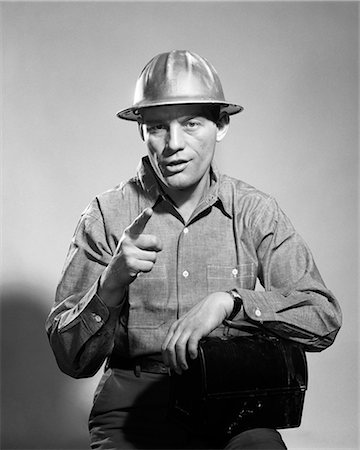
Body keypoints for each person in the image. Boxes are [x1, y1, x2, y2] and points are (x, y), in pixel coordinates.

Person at [46, 50, 342, 449]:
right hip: (134, 407)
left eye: (191, 124)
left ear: (221, 125)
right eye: (157, 127)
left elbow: (322, 317)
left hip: (233, 401)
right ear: (141, 131)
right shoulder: (105, 213)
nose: (173, 144)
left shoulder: (254, 211)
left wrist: (232, 302)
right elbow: (70, 360)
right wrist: (110, 283)